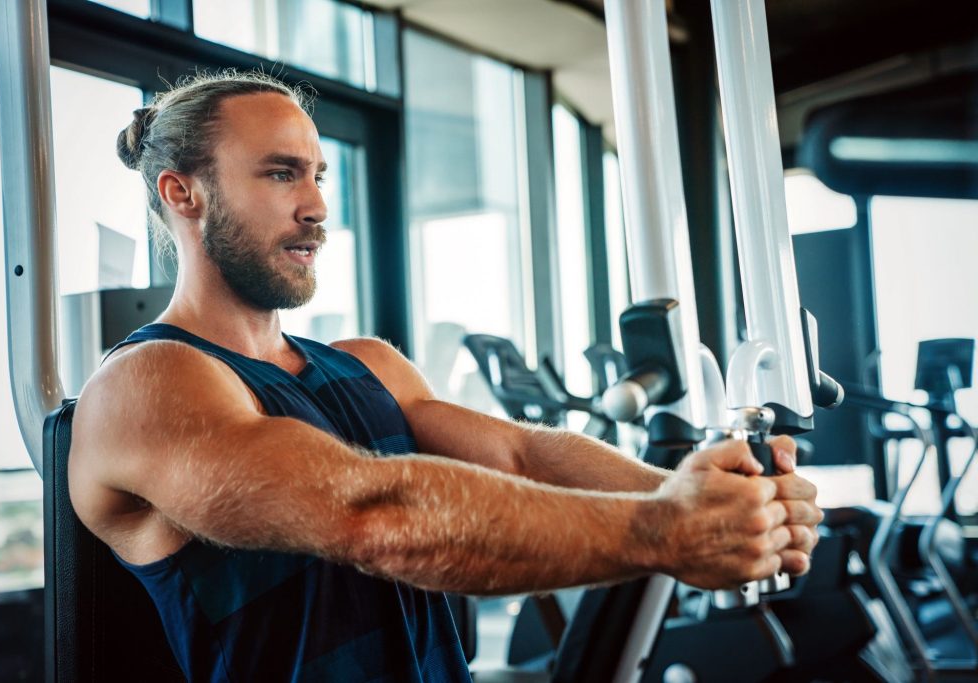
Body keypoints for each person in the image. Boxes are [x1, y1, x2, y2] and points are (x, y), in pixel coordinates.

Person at [69, 70, 823, 682]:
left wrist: (707, 498)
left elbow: (523, 456)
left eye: (320, 175)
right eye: (281, 174)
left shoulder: (367, 363)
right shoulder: (148, 384)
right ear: (181, 192)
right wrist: (669, 530)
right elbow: (371, 516)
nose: (319, 206)